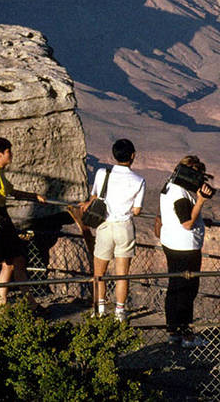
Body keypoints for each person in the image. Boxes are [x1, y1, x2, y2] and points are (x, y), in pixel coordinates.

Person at [0, 137, 47, 306]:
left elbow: (13, 192)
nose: (11, 154)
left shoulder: (0, 174)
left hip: (2, 218)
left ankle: (15, 302)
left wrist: (34, 196)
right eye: (8, 152)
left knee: (15, 261)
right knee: (12, 261)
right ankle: (16, 303)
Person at [84, 138, 145, 322]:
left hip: (104, 226)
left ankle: (99, 309)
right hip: (124, 228)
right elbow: (137, 210)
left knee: (99, 273)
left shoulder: (103, 173)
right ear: (133, 156)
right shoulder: (139, 180)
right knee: (122, 274)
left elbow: (94, 196)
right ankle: (120, 312)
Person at [155, 155, 213, 347]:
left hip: (171, 243)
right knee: (187, 291)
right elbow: (187, 223)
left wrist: (201, 219)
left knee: (175, 288)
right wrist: (201, 201)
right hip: (185, 247)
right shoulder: (180, 193)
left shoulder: (170, 185)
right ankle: (187, 336)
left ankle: (173, 331)